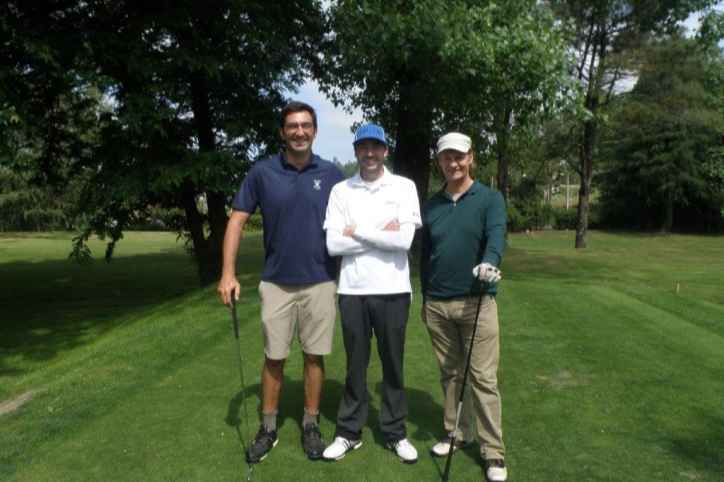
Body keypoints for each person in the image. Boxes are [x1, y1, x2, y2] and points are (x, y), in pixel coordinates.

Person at [217, 101, 345, 463]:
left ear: (315, 131)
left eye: (306, 125)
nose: (299, 131)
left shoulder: (333, 174)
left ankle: (310, 424)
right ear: (282, 132)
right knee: (274, 357)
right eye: (292, 126)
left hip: (320, 280)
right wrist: (228, 273)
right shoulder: (262, 172)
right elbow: (237, 221)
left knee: (314, 356)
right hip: (276, 282)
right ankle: (269, 428)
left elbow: (352, 221)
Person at [321, 124, 421, 464]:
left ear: (385, 150)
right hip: (353, 291)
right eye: (363, 147)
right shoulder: (340, 191)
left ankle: (395, 432)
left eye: (375, 147)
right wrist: (381, 233)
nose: (370, 153)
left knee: (393, 364)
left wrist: (358, 232)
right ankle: (349, 432)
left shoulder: (404, 187)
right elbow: (334, 244)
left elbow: (404, 240)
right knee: (355, 365)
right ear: (355, 151)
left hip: (393, 289)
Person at [420, 132, 508, 482]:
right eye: (446, 158)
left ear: (471, 158)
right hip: (438, 304)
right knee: (451, 374)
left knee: (483, 378)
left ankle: (493, 453)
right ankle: (458, 433)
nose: (453, 163)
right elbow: (425, 257)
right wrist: (425, 297)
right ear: (440, 162)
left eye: (459, 157)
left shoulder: (489, 198)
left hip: (477, 301)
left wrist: (490, 261)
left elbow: (496, 235)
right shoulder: (431, 205)